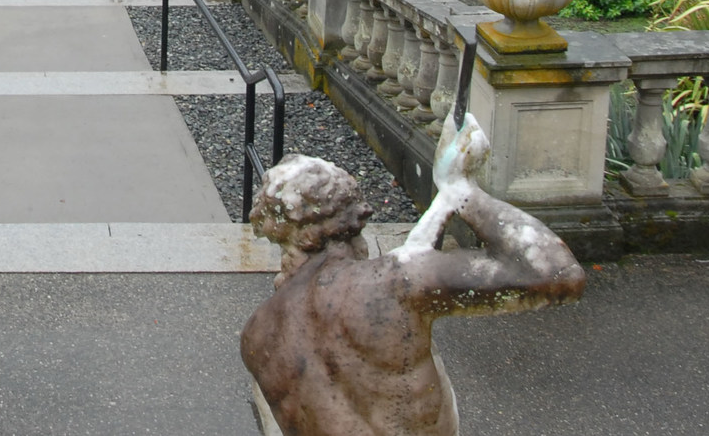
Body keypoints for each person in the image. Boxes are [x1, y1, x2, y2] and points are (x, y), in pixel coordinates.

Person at [240, 114, 586, 436]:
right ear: (353, 219)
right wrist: (462, 192)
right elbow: (554, 272)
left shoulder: (257, 335)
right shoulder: (392, 284)